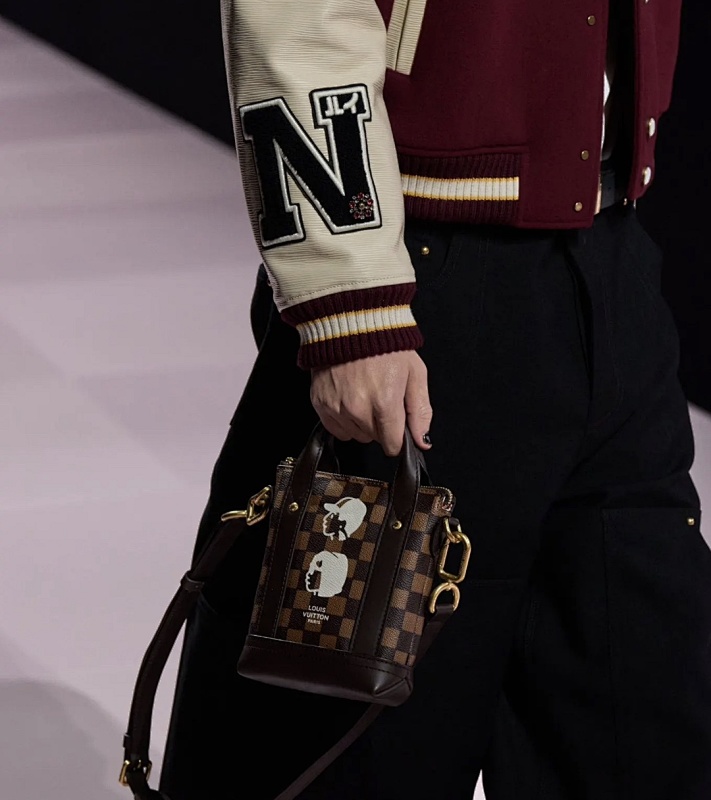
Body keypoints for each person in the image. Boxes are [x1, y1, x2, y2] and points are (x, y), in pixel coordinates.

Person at [159, 2, 711, 798]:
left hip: (606, 252)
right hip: (415, 285)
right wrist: (350, 304)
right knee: (343, 736)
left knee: (641, 720)